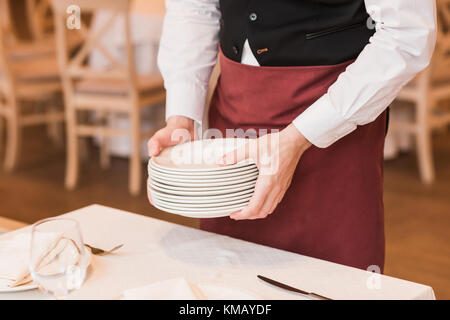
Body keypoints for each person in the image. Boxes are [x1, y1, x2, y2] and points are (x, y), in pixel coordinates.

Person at [147, 0, 437, 272]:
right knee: (228, 279)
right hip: (234, 112)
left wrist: (299, 137)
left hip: (336, 119)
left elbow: (407, 35)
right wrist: (181, 118)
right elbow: (194, 8)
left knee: (334, 281)